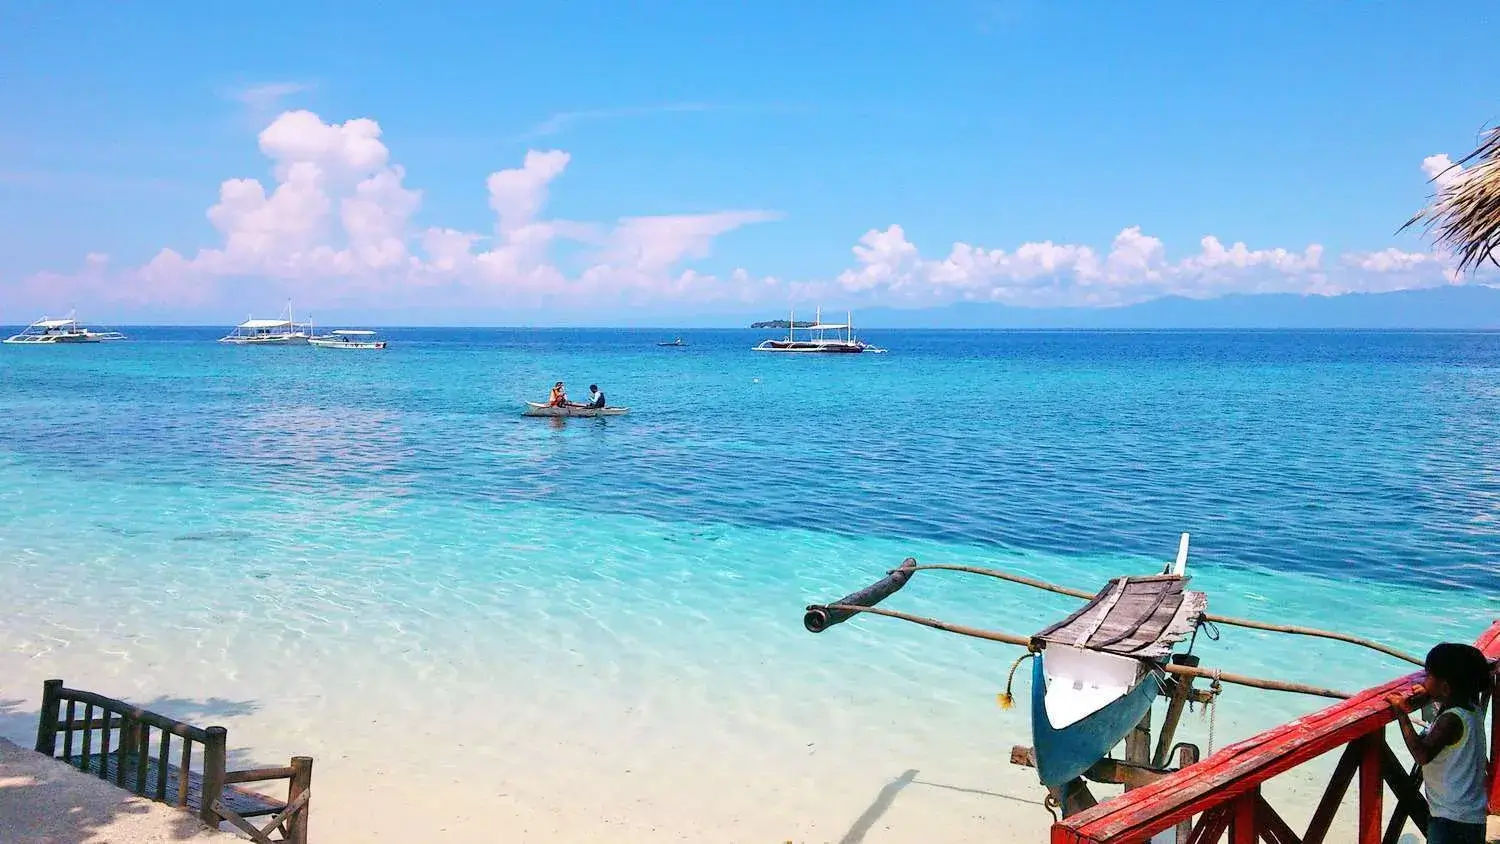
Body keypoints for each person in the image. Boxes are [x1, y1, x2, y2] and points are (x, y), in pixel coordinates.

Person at [1386, 642, 1491, 844]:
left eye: (1429, 676)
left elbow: (1422, 754)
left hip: (1450, 819)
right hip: (1470, 815)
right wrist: (1431, 693)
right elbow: (1450, 697)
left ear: (1445, 687)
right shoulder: (1471, 707)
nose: (1425, 680)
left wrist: (1402, 713)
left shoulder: (1451, 720)